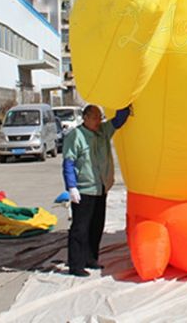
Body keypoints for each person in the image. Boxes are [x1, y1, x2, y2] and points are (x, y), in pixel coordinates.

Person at [62, 104, 130, 276]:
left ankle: (91, 258)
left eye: (100, 117)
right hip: (84, 190)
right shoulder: (75, 136)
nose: (99, 121)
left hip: (100, 188)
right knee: (80, 228)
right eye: (95, 117)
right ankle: (76, 265)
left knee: (96, 226)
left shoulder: (103, 131)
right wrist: (71, 187)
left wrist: (125, 102)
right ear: (85, 118)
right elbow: (68, 163)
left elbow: (119, 120)